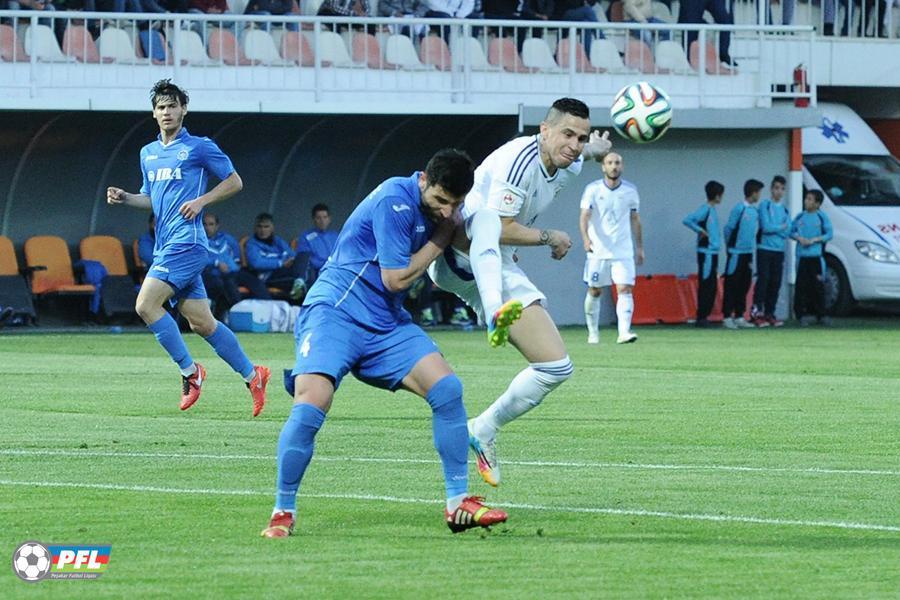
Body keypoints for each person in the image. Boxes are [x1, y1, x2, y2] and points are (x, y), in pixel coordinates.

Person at [260, 149, 508, 538]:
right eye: (441, 200)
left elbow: (478, 232)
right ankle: (282, 511)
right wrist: (443, 237)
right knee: (312, 403)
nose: (447, 211)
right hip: (336, 310)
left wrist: (541, 238)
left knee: (448, 389)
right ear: (423, 180)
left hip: (386, 322)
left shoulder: (441, 210)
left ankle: (458, 503)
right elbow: (396, 279)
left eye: (455, 204)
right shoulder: (396, 198)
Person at [428, 97, 612, 487]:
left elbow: (581, 154)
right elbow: (502, 226)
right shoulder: (519, 160)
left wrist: (596, 149)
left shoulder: (569, 160)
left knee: (556, 367)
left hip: (493, 262)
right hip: (460, 254)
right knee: (489, 221)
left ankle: (482, 428)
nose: (574, 145)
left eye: (580, 138)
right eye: (567, 134)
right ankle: (496, 311)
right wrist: (550, 237)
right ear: (544, 130)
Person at [107, 79, 270, 417]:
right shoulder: (148, 153)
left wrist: (202, 201)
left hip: (189, 242)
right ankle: (253, 375)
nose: (167, 112)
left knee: (145, 304)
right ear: (154, 113)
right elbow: (151, 198)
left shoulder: (199, 147)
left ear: (184, 109)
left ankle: (190, 372)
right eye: (161, 107)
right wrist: (126, 198)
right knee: (202, 323)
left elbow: (235, 181)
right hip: (167, 243)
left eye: (172, 106)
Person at [580, 152, 644, 345]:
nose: (614, 166)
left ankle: (624, 332)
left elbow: (635, 219)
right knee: (595, 290)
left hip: (622, 250)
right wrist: (586, 239)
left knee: (624, 288)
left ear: (622, 166)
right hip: (598, 250)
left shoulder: (630, 191)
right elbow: (584, 216)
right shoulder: (593, 189)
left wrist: (639, 247)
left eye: (617, 163)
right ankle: (593, 333)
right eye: (610, 163)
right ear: (603, 166)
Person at [721, 179, 762, 329]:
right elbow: (728, 229)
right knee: (732, 284)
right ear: (753, 193)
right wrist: (730, 248)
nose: (759, 196)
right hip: (736, 253)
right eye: (758, 192)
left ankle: (739, 316)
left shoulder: (754, 211)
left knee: (744, 285)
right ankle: (727, 316)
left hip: (748, 253)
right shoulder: (739, 209)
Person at [682, 180, 723, 328]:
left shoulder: (712, 210)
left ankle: (705, 316)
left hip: (713, 252)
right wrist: (700, 230)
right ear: (717, 195)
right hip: (706, 253)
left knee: (711, 285)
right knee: (706, 284)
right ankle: (701, 317)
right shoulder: (705, 209)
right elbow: (687, 220)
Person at [751, 175, 790, 327]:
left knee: (775, 282)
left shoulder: (785, 209)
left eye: (782, 189)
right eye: (776, 188)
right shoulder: (765, 205)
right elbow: (766, 227)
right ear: (771, 189)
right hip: (764, 249)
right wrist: (780, 228)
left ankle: (770, 313)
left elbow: (788, 231)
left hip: (779, 251)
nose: (779, 191)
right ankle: (756, 313)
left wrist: (779, 229)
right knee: (763, 281)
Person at [791, 189, 833, 326]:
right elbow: (790, 231)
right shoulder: (800, 217)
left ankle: (821, 314)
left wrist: (815, 240)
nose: (806, 201)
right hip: (802, 257)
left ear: (817, 204)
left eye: (810, 199)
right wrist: (799, 238)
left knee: (818, 286)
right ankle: (801, 315)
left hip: (816, 257)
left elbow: (829, 234)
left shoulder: (822, 217)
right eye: (806, 198)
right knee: (801, 286)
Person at [245, 212, 307, 301]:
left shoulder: (277, 240)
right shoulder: (251, 244)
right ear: (255, 228)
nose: (262, 230)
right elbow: (257, 263)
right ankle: (300, 284)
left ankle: (299, 282)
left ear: (272, 228)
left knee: (304, 255)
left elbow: (292, 255)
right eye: (259, 226)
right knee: (305, 279)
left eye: (266, 227)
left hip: (285, 271)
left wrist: (290, 261)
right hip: (268, 276)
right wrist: (281, 263)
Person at [294, 203, 339, 289]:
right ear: (314, 219)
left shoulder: (335, 236)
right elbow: (304, 259)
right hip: (316, 271)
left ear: (329, 219)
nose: (322, 221)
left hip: (334, 269)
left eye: (325, 217)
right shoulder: (306, 236)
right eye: (319, 218)